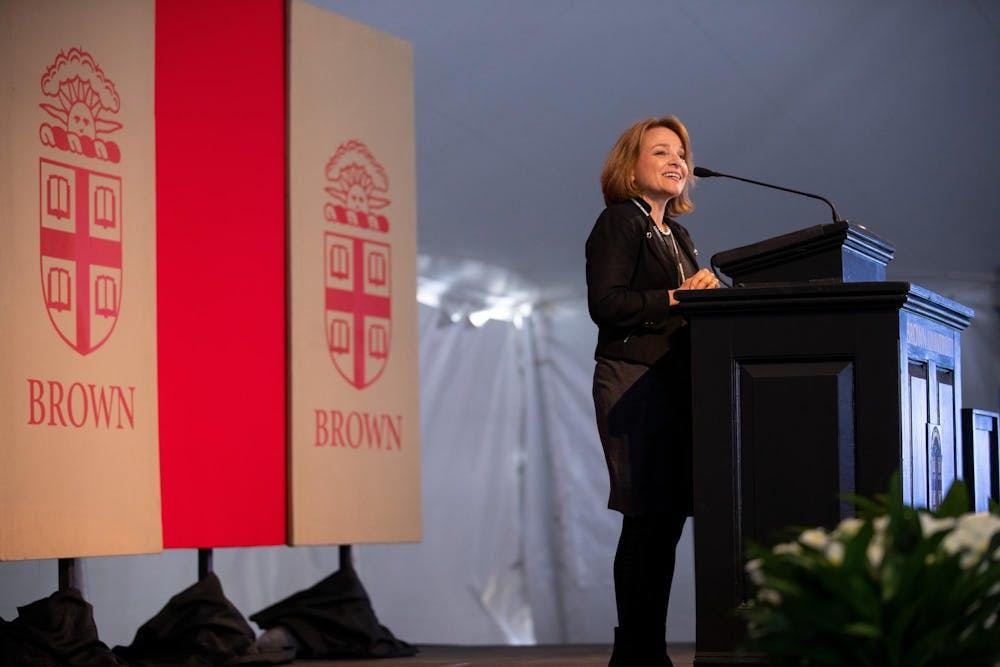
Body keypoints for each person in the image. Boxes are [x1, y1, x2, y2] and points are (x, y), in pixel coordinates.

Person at [585, 116, 720, 666]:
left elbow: (685, 303)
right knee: (645, 517)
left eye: (681, 153)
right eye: (660, 151)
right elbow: (607, 304)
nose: (676, 161)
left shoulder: (678, 234)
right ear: (630, 165)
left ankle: (647, 650)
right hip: (633, 381)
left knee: (665, 521)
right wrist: (675, 297)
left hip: (672, 385)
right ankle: (637, 652)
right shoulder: (619, 222)